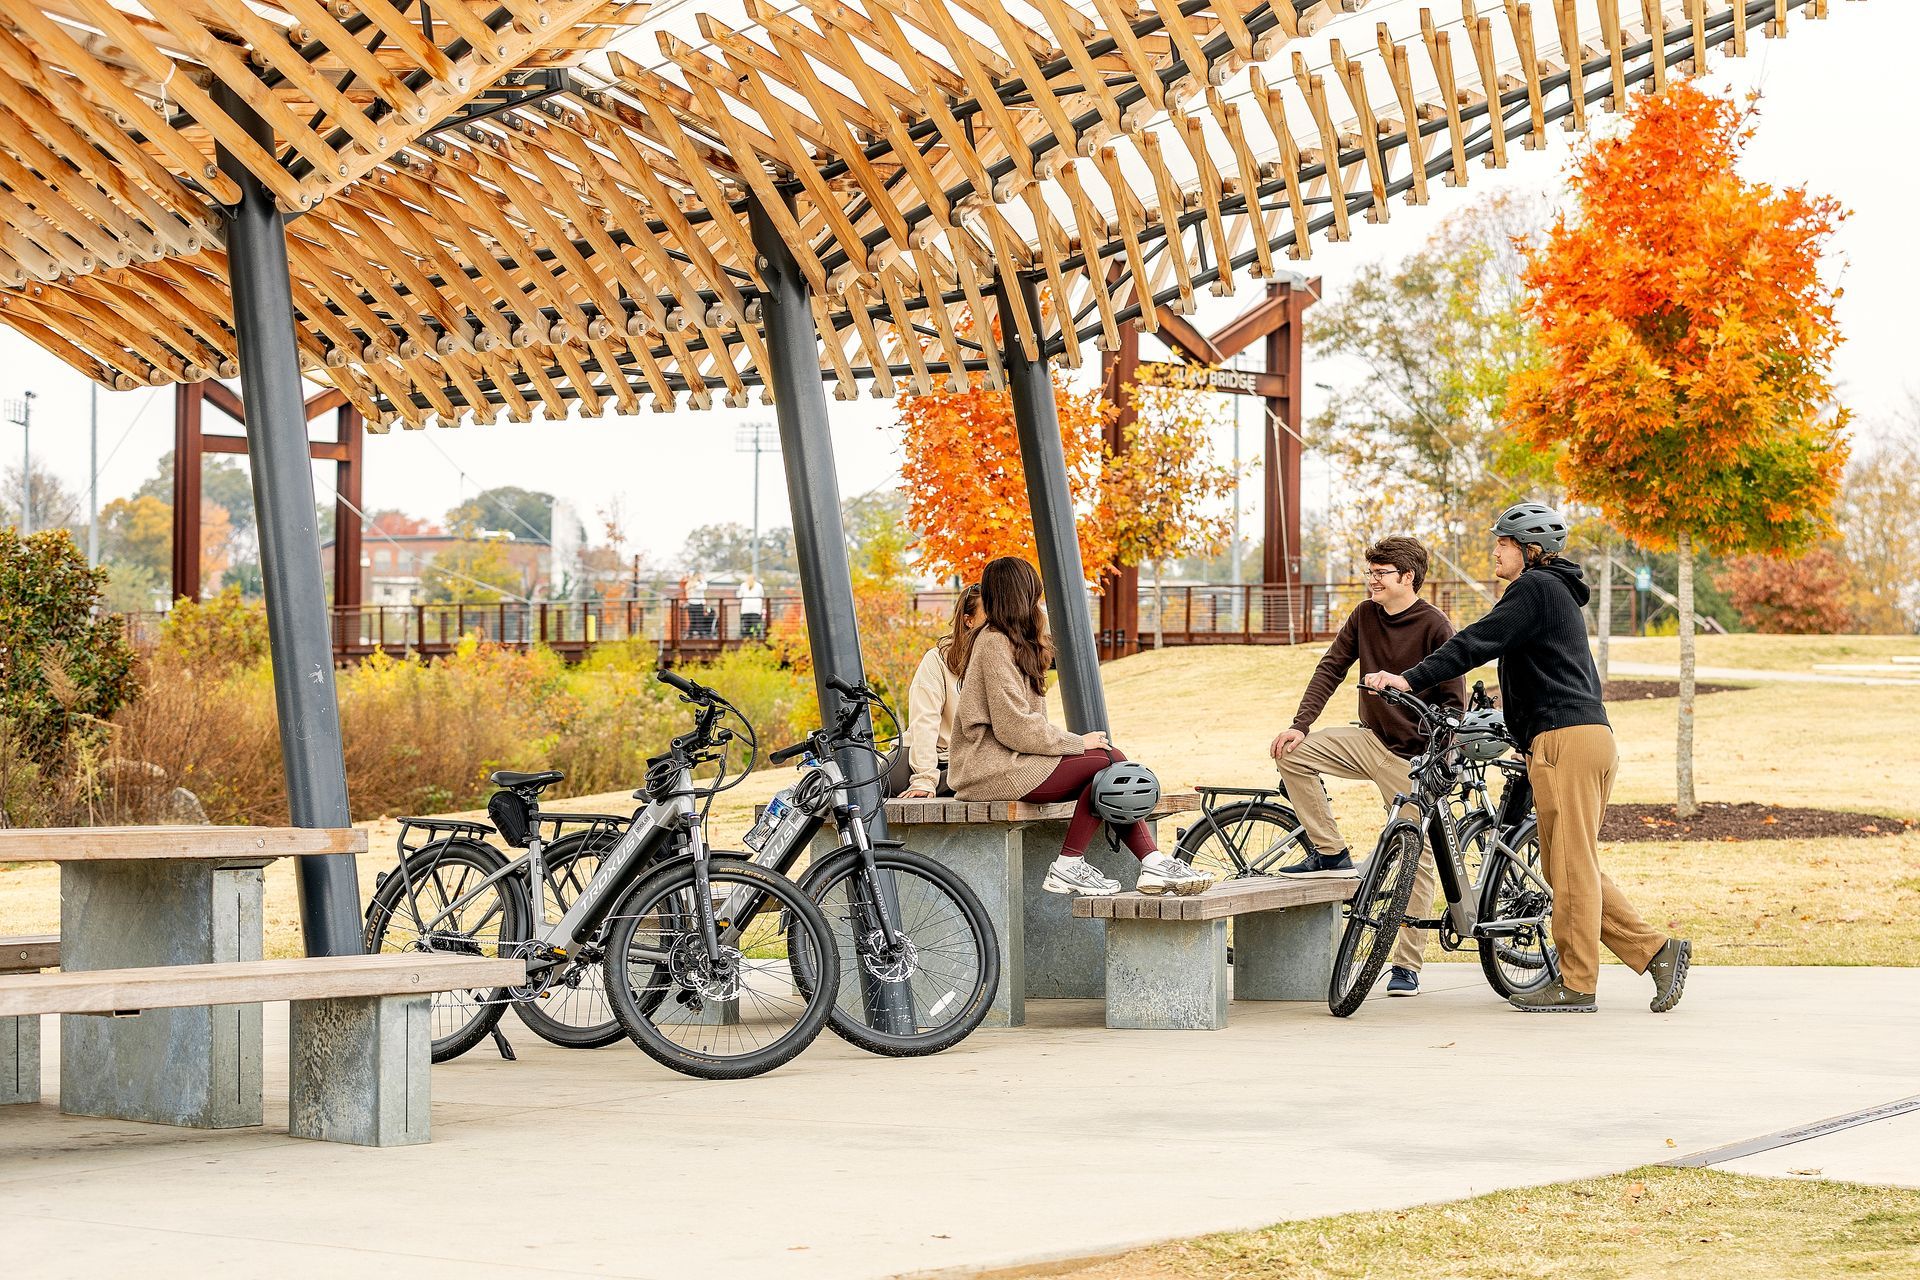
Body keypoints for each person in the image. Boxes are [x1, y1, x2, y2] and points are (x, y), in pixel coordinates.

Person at [1364, 502, 1691, 1014]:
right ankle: (1657, 952)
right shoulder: (1554, 594)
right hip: (1584, 739)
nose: (1495, 550)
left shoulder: (1534, 589)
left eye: (1503, 543)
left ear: (1528, 550)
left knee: (1571, 868)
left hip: (1565, 741)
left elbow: (1477, 641)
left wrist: (1408, 678)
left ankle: (1577, 984)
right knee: (1570, 866)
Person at [1270, 536, 1465, 999]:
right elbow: (1331, 667)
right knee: (1292, 753)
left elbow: (1454, 706)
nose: (1370, 580)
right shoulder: (1364, 615)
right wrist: (1301, 724)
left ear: (1407, 577)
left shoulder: (1437, 627)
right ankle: (1331, 851)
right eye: (1370, 571)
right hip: (1370, 739)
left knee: (1413, 856)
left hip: (1413, 759)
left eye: (1380, 573)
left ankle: (1407, 965)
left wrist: (1435, 764)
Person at [947, 557, 1212, 896]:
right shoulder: (993, 642)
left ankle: (1149, 864)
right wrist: (1076, 743)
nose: (1038, 602)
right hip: (988, 769)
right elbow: (1014, 727)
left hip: (1013, 763)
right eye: (1035, 594)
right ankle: (1081, 864)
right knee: (1105, 761)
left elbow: (1025, 726)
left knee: (1110, 763)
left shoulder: (1013, 642)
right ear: (1021, 595)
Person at [900, 583, 983, 799]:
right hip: (931, 755)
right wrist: (925, 778)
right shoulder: (936, 660)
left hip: (972, 761)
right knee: (874, 785)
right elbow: (924, 722)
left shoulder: (1002, 659)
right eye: (988, 613)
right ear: (968, 620)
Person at [738, 573, 766, 640]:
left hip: (745, 609)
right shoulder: (759, 586)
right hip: (756, 609)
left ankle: (747, 638)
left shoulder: (743, 585)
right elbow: (762, 595)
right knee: (756, 625)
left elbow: (739, 596)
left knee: (746, 625)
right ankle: (756, 637)